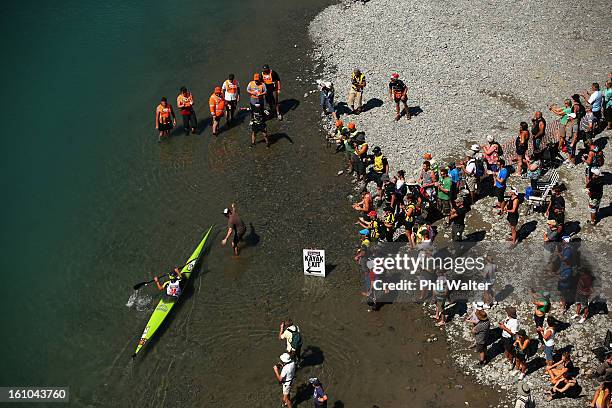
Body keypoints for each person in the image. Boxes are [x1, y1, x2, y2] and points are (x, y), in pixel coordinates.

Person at [499, 306, 519, 371]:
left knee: (509, 351)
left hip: (509, 339)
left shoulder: (515, 322)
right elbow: (506, 322)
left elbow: (513, 333)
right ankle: (507, 358)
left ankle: (511, 363)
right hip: (504, 336)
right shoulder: (508, 317)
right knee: (506, 349)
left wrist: (503, 328)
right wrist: (503, 323)